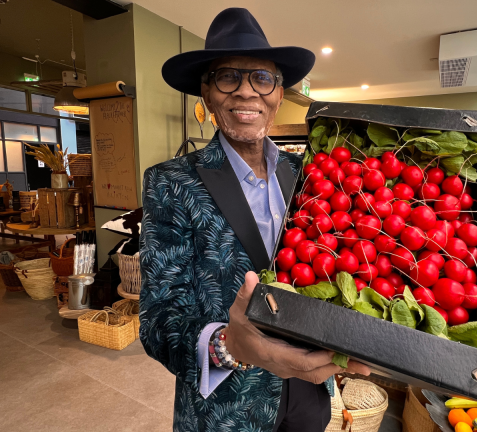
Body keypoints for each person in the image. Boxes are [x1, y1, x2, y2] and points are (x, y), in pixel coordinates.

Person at [140, 8, 369, 432]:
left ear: (279, 95)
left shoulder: (308, 176)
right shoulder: (170, 182)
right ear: (207, 94)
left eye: (262, 79)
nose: (247, 92)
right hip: (228, 406)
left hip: (309, 393)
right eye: (228, 77)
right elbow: (158, 324)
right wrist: (231, 346)